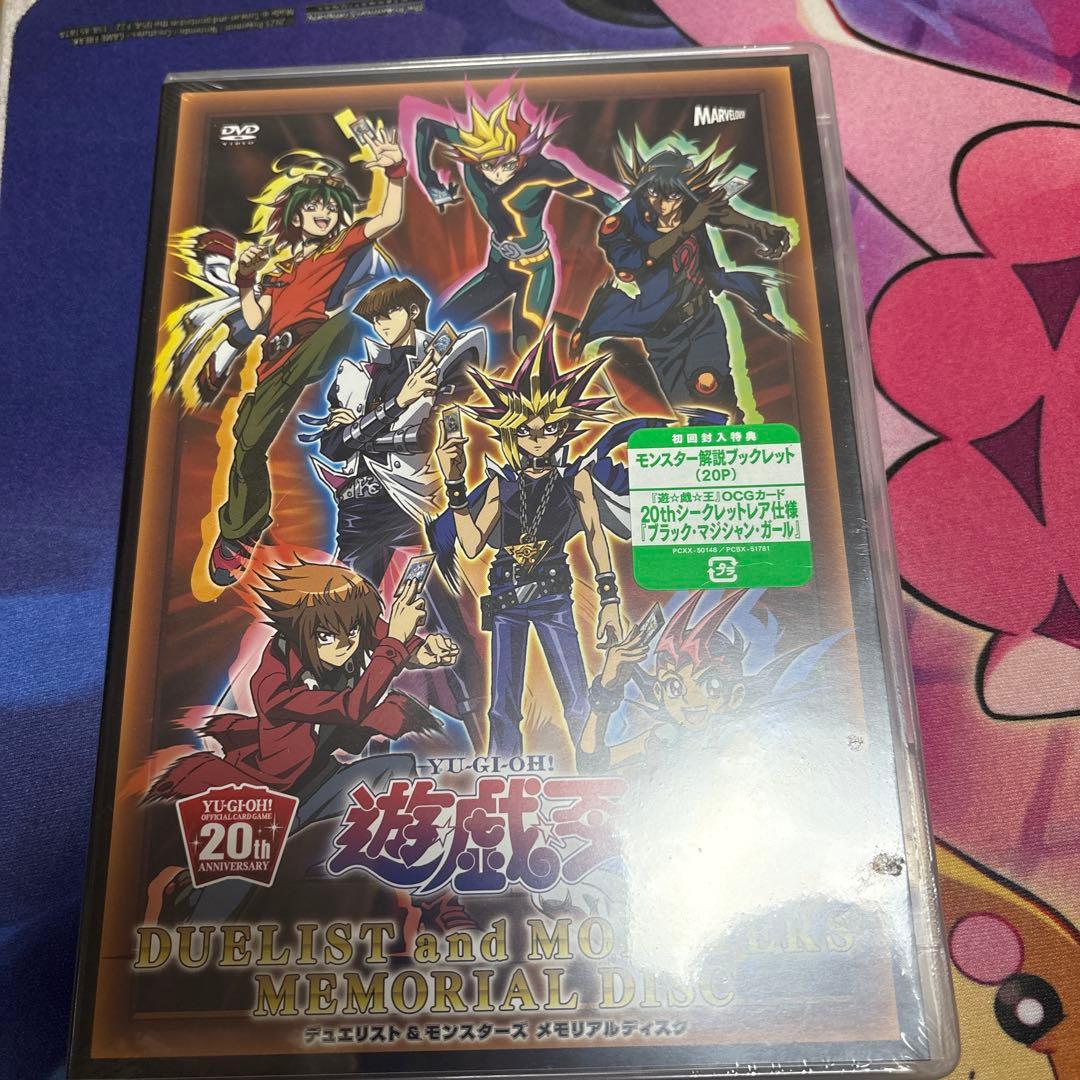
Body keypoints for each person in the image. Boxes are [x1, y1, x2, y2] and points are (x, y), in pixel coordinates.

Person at [200, 130, 408, 587]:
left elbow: (387, 217)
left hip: (318, 341)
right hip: (275, 364)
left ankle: (388, 374)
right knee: (246, 443)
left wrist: (395, 171)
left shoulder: (339, 247)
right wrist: (247, 279)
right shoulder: (280, 270)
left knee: (348, 323)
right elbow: (255, 320)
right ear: (296, 216)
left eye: (330, 207)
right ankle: (242, 529)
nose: (323, 212)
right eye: (314, 206)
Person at [306, 276, 488, 747]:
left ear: (411, 310)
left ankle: (483, 740)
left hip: (410, 507)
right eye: (375, 317)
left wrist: (376, 428)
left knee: (447, 623)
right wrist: (399, 403)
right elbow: (335, 445)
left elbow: (426, 432)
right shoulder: (356, 374)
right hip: (359, 511)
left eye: (388, 313)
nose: (381, 324)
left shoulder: (442, 362)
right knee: (345, 625)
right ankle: (338, 741)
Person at [431, 328, 626, 758]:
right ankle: (505, 771)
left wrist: (610, 598)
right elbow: (470, 544)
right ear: (511, 432)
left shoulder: (575, 480)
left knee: (576, 698)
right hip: (505, 597)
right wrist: (455, 483)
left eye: (548, 428)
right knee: (503, 707)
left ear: (562, 430)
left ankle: (592, 766)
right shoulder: (501, 485)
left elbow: (595, 535)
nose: (537, 437)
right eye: (526, 429)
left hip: (553, 595)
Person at [573, 138, 793, 414]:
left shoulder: (692, 203)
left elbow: (725, 215)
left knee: (711, 389)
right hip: (661, 330)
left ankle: (732, 427)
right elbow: (635, 260)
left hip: (703, 318)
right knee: (687, 408)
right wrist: (688, 227)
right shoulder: (623, 223)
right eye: (653, 193)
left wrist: (763, 230)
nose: (662, 204)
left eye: (673, 196)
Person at [414, 91, 620, 353]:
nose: (498, 174)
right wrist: (430, 182)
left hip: (534, 272)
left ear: (522, 156)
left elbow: (599, 198)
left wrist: (633, 222)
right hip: (497, 268)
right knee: (440, 324)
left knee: (524, 347)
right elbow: (426, 127)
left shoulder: (543, 172)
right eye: (488, 166)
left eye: (508, 165)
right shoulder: (473, 149)